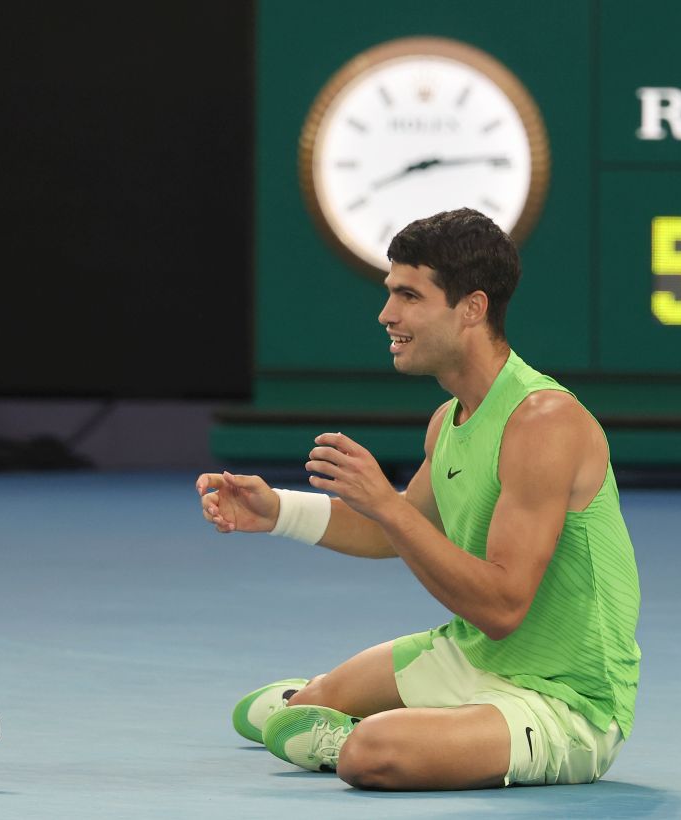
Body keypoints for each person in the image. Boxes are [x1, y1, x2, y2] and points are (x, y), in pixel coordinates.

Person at [197, 208, 640, 790]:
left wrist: (386, 502)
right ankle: (358, 713)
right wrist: (278, 510)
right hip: (474, 656)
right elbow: (395, 530)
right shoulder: (448, 421)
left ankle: (372, 732)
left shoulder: (544, 420)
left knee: (370, 754)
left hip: (564, 700)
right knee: (313, 698)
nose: (387, 315)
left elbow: (503, 608)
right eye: (390, 294)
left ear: (472, 309)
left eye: (409, 296)